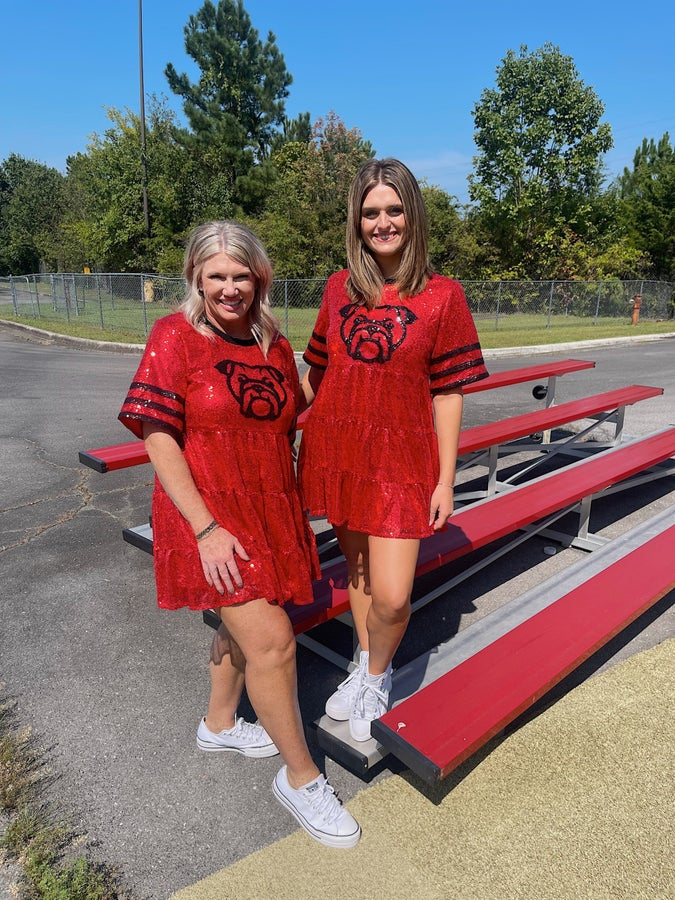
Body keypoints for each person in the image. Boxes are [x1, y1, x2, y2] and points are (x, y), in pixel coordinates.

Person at [118, 221, 360, 849]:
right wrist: (206, 529)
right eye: (217, 275)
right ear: (197, 277)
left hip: (268, 509)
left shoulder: (270, 341)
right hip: (209, 516)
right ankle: (302, 779)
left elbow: (295, 404)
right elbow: (156, 435)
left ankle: (219, 723)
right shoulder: (174, 336)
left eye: (241, 275)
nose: (230, 288)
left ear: (260, 279)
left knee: (242, 624)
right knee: (274, 643)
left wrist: (348, 355)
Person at [298, 159, 489, 742]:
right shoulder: (338, 288)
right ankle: (364, 665)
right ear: (357, 220)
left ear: (412, 214)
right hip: (340, 449)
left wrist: (445, 478)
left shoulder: (443, 296)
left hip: (404, 462)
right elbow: (318, 372)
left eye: (393, 210)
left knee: (395, 595)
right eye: (370, 212)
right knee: (356, 571)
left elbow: (449, 393)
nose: (382, 222)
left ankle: (376, 673)